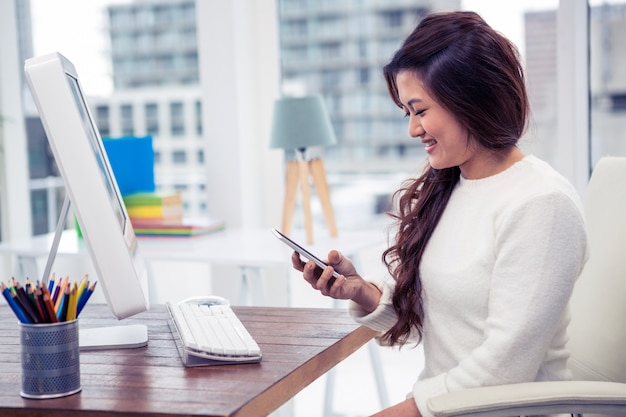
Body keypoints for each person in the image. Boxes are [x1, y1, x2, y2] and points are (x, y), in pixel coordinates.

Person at [290, 10, 589, 417]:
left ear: (471, 99)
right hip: (448, 408)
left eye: (421, 110)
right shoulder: (451, 185)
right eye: (407, 113)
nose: (413, 130)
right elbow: (434, 316)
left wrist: (404, 412)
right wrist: (361, 290)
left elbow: (504, 369)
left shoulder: (541, 204)